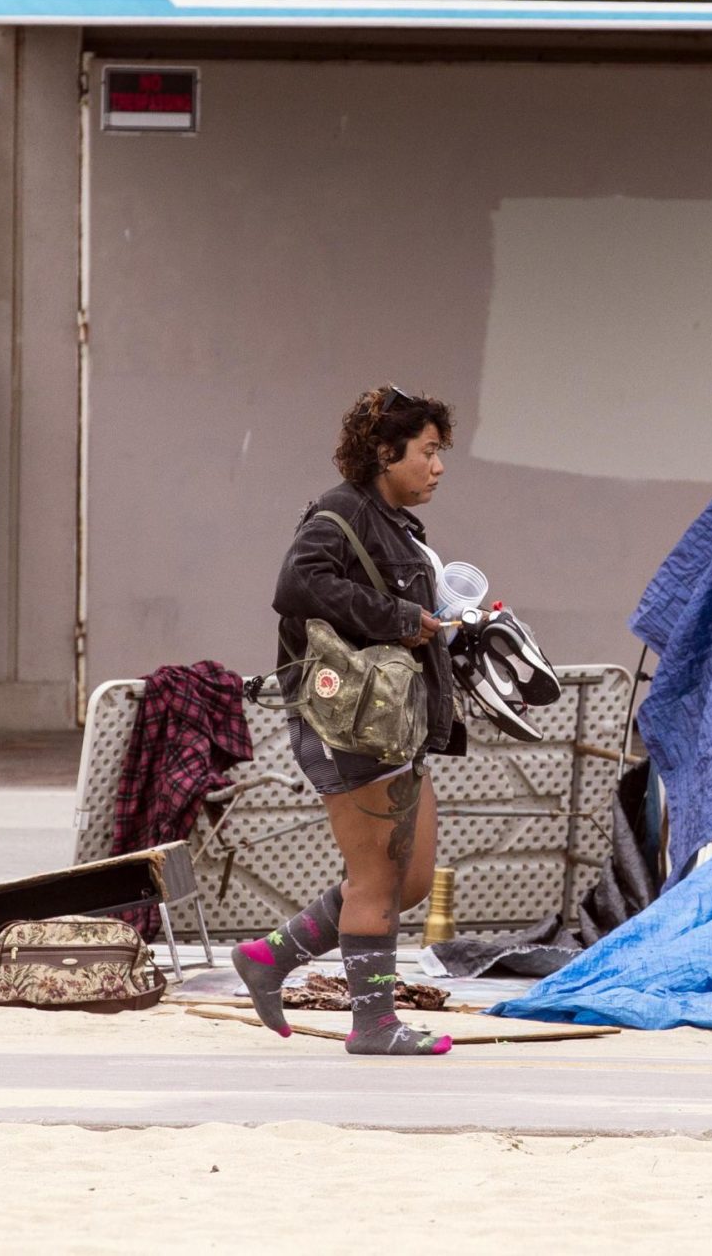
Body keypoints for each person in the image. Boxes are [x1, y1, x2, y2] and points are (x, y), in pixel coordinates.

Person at [235, 386, 464, 1057]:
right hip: (350, 724)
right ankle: (374, 1024)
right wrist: (398, 617)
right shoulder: (340, 514)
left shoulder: (394, 524)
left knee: (410, 878)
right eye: (427, 450)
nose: (438, 466)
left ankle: (270, 957)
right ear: (386, 452)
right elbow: (297, 585)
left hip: (393, 723)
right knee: (377, 878)